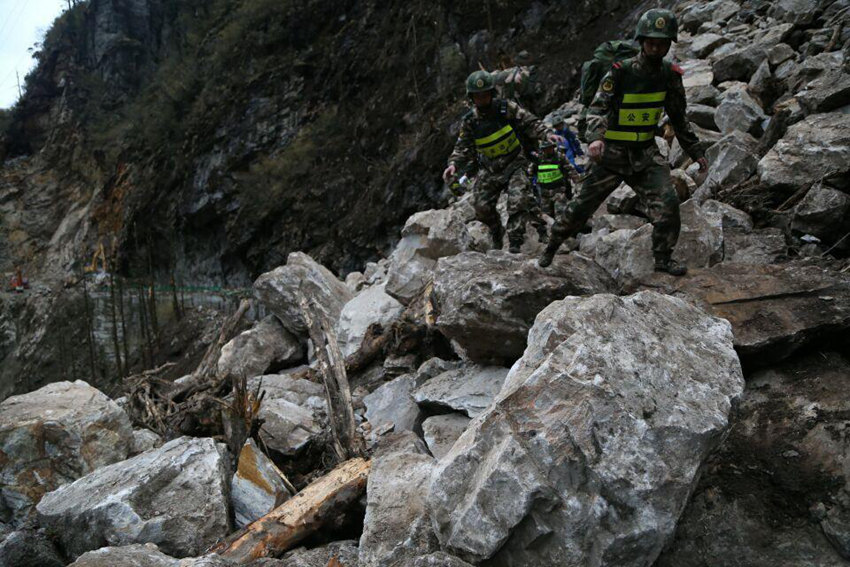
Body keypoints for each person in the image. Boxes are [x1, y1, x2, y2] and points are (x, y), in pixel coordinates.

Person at [538, 8, 708, 273]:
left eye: (661, 42)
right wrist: (595, 139)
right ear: (641, 40)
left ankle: (662, 258)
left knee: (668, 204)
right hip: (611, 154)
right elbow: (597, 108)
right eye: (651, 41)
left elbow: (678, 118)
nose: (655, 47)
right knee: (581, 207)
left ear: (669, 43)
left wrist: (695, 150)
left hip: (645, 154)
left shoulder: (670, 75)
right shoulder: (620, 72)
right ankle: (552, 244)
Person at [443, 70, 563, 252]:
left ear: (492, 94)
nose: (482, 99)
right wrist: (453, 165)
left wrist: (547, 133)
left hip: (514, 163)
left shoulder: (506, 108)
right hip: (489, 168)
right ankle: (496, 231)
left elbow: (530, 122)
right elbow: (462, 147)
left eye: (485, 95)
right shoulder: (470, 122)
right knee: (481, 206)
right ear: (472, 98)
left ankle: (515, 242)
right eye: (478, 96)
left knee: (518, 201)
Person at [529, 140, 574, 221]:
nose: (547, 150)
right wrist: (531, 186)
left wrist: (577, 182)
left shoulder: (560, 157)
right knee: (546, 218)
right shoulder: (538, 159)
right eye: (545, 149)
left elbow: (570, 170)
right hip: (544, 193)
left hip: (558, 190)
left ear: (553, 148)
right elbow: (530, 172)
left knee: (560, 216)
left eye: (549, 148)